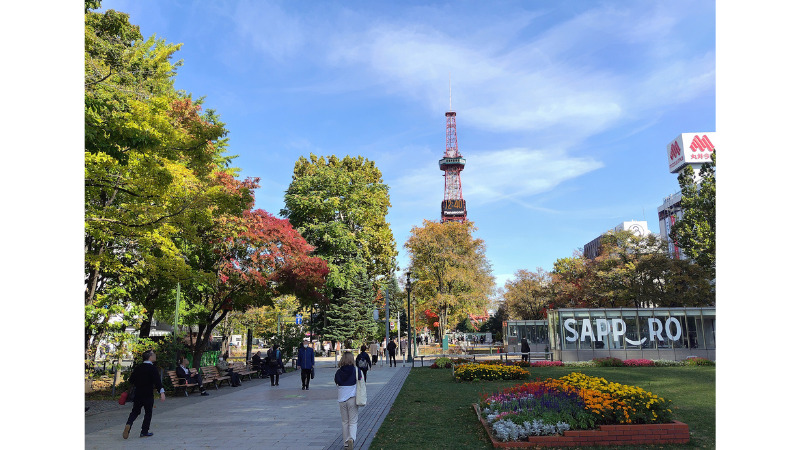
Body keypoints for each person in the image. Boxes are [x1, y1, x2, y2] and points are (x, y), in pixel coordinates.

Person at [123, 350, 166, 439]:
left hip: (138, 393)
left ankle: (129, 423)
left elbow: (131, 380)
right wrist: (162, 392)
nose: (155, 356)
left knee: (135, 411)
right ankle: (144, 431)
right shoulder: (153, 368)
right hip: (148, 393)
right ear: (150, 357)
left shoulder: (138, 367)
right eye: (154, 354)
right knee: (148, 412)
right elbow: (157, 381)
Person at [334, 351, 363, 450]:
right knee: (353, 421)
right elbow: (361, 380)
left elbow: (337, 382)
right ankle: (351, 439)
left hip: (341, 399)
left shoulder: (338, 372)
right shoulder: (356, 370)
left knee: (345, 421)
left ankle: (346, 443)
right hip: (352, 398)